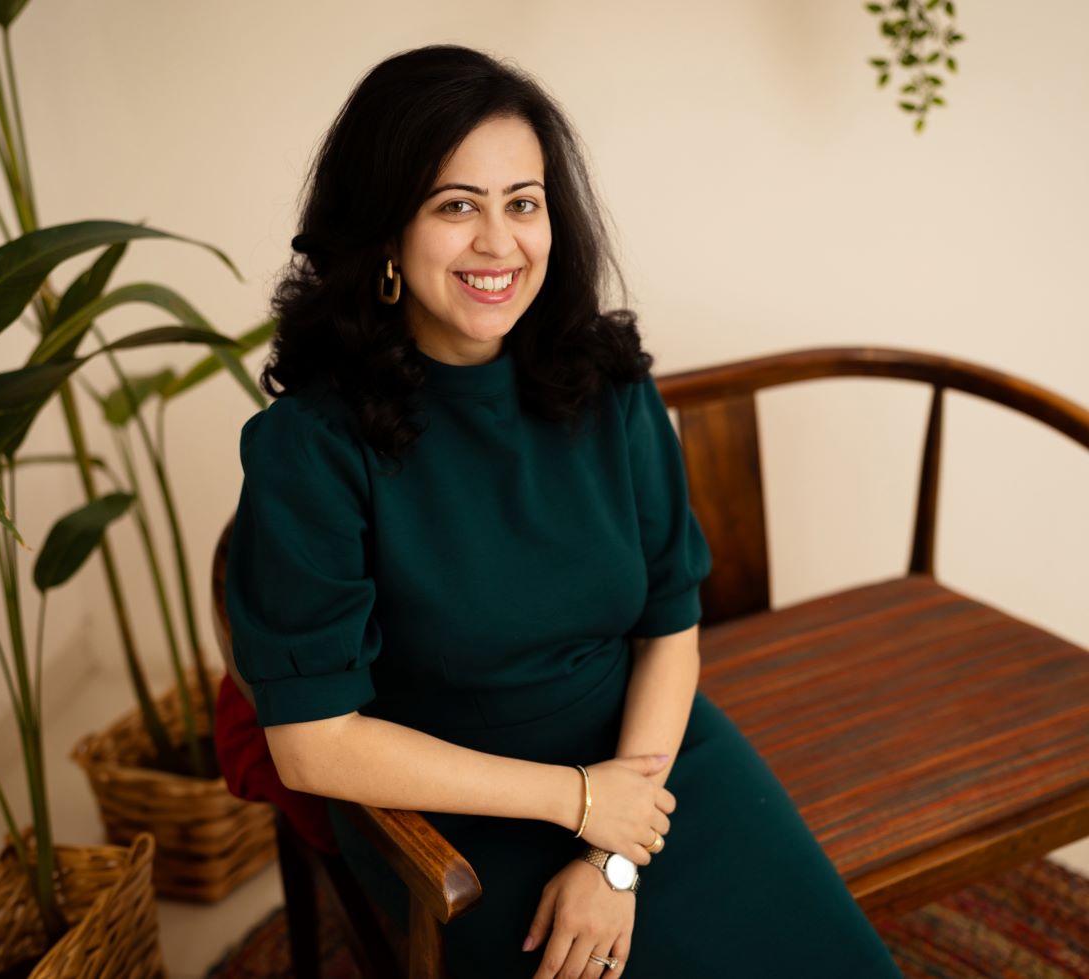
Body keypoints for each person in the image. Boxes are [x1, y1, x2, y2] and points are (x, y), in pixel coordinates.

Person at [225, 44, 903, 979]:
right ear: (385, 230)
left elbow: (671, 627)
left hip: (653, 764)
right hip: (450, 803)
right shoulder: (312, 446)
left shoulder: (606, 384)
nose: (499, 243)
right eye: (456, 205)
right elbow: (311, 744)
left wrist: (614, 846)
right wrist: (575, 803)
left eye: (524, 201)